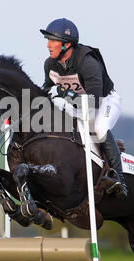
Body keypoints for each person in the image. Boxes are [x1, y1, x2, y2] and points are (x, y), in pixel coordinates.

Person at [40, 18, 128, 198]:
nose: (48, 45)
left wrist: (64, 93)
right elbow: (47, 91)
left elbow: (94, 102)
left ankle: (119, 180)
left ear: (66, 44)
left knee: (99, 128)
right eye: (47, 40)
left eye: (52, 41)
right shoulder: (50, 64)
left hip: (104, 102)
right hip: (78, 104)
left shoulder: (87, 62)